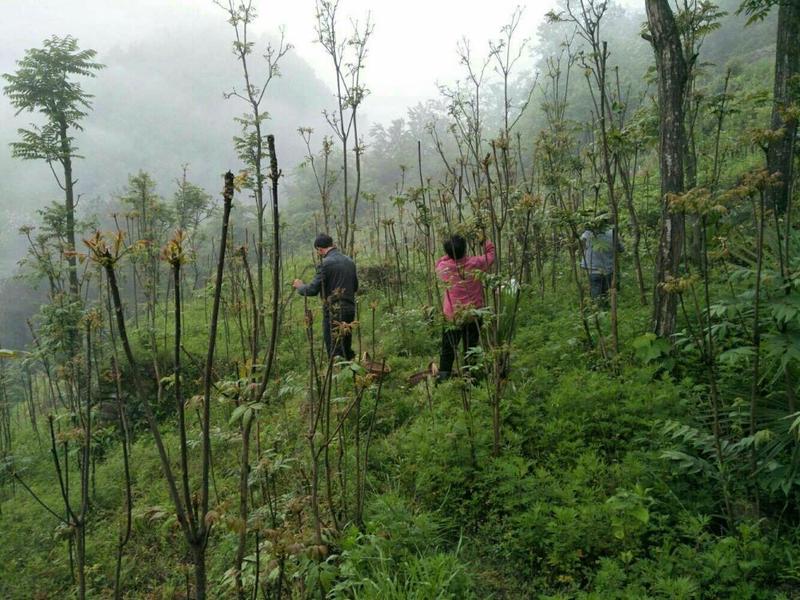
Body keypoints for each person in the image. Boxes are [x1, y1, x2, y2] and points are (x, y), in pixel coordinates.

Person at [435, 233, 495, 382]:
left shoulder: (443, 267)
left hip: (452, 316)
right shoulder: (475, 264)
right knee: (470, 348)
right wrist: (484, 240)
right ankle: (471, 378)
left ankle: (443, 378)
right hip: (473, 315)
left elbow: (439, 262)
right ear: (465, 249)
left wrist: (448, 256)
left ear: (448, 252)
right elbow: (491, 255)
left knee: (448, 349)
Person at [293, 233, 358, 360]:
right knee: (346, 345)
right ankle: (351, 375)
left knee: (335, 349)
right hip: (350, 309)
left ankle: (338, 377)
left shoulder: (325, 264)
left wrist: (300, 286)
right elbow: (355, 287)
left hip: (334, 311)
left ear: (319, 249)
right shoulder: (350, 261)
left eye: (318, 251)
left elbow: (312, 290)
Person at [580, 221, 623, 301]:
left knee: (595, 292)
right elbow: (620, 248)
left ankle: (597, 309)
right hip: (608, 268)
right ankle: (605, 310)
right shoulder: (613, 233)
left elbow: (581, 244)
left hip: (592, 268)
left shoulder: (588, 233)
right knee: (606, 292)